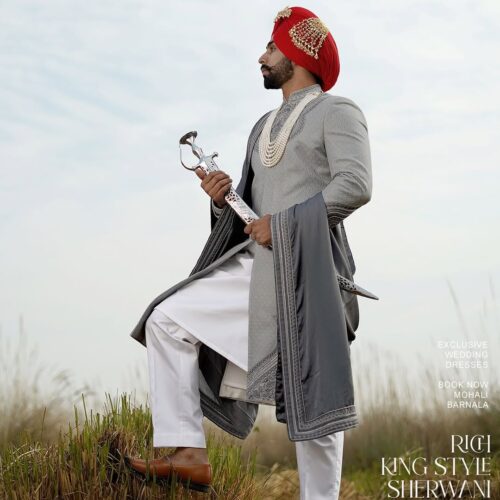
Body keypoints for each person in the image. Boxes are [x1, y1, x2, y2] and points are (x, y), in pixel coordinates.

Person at [126, 6, 374, 499]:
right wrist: (223, 202)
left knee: (316, 404)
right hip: (257, 268)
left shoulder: (338, 111)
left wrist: (282, 225)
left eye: (272, 48)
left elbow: (356, 185)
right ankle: (187, 452)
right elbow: (251, 212)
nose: (262, 56)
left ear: (299, 54)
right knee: (166, 319)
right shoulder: (261, 127)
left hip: (311, 270)